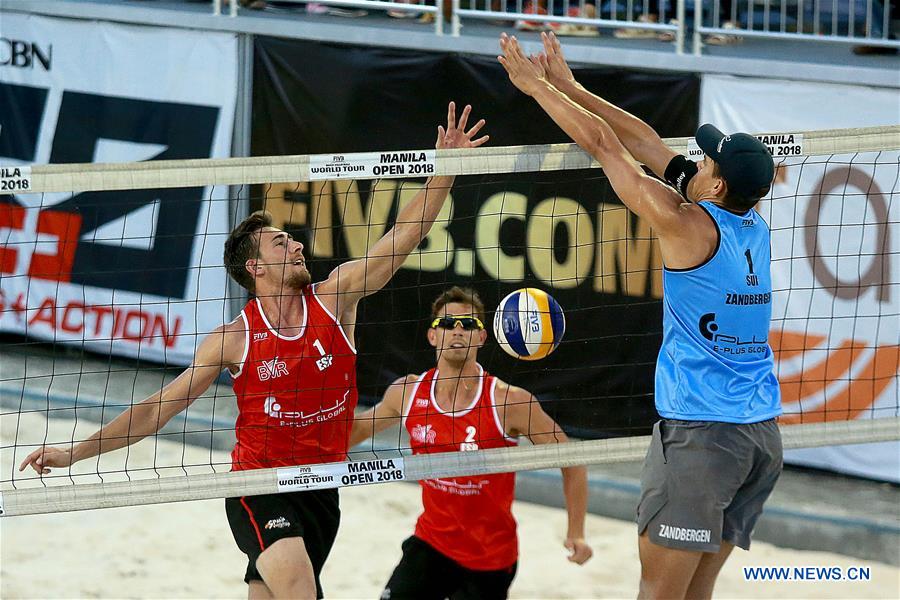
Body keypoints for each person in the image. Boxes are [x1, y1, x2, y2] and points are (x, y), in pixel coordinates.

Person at [19, 102, 488, 600]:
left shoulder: (335, 298)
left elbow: (405, 235)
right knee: (300, 589)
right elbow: (156, 409)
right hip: (259, 485)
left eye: (293, 240)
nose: (297, 246)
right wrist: (76, 452)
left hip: (322, 487)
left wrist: (445, 168)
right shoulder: (234, 338)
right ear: (256, 268)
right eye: (281, 243)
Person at [499, 32, 782, 600]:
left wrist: (536, 89)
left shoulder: (685, 222)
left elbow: (606, 146)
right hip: (760, 439)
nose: (696, 161)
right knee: (695, 593)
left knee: (658, 595)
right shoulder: (752, 221)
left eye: (706, 160)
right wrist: (573, 87)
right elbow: (647, 142)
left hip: (703, 438)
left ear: (716, 183)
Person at [351, 286, 593, 600]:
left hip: (490, 558)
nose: (457, 330)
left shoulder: (509, 402)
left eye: (468, 324)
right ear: (432, 336)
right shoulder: (407, 393)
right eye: (446, 324)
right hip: (430, 544)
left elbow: (572, 461)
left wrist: (576, 532)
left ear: (481, 337)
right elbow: (354, 431)